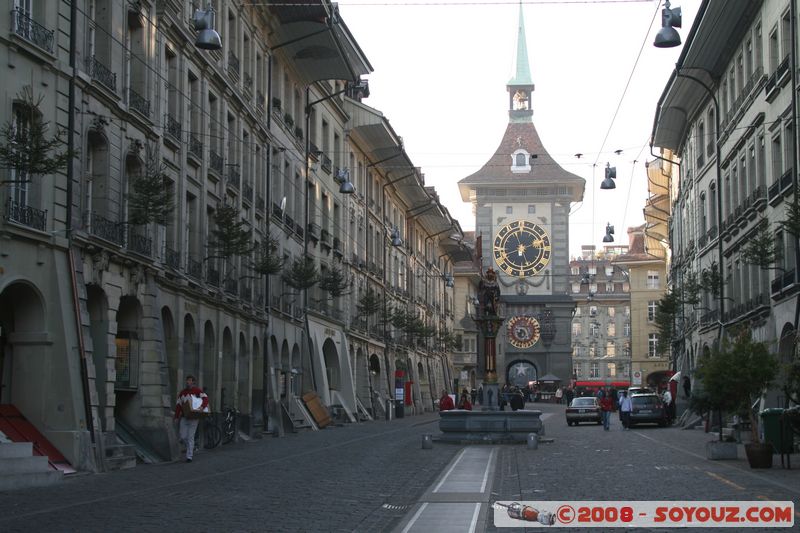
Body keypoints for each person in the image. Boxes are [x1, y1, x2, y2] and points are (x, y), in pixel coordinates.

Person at [174, 375, 209, 462]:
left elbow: (205, 398)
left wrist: (202, 407)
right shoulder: (182, 393)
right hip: (184, 417)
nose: (187, 382)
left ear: (193, 382)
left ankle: (189, 456)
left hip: (194, 417)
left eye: (189, 380)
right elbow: (178, 405)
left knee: (190, 437)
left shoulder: (197, 391)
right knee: (182, 436)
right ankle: (191, 447)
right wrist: (176, 416)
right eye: (187, 380)